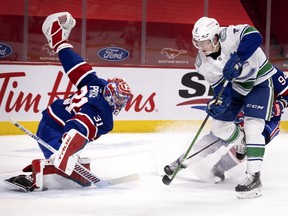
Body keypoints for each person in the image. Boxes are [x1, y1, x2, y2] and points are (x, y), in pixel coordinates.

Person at [4, 12, 132, 192]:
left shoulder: (99, 83)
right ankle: (44, 170)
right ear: (111, 94)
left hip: (55, 116)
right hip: (54, 126)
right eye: (118, 98)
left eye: (123, 100)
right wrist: (65, 152)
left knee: (62, 154)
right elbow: (79, 125)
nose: (120, 103)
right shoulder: (104, 115)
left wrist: (60, 44)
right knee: (56, 158)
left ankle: (53, 160)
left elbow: (76, 68)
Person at [165, 16, 281, 199]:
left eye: (204, 42)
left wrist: (238, 57)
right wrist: (218, 103)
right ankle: (240, 140)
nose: (201, 47)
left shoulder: (229, 35)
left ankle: (254, 178)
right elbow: (221, 88)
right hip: (236, 88)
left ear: (215, 37)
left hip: (259, 82)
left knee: (253, 127)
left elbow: (254, 36)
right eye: (198, 43)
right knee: (219, 127)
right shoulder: (202, 63)